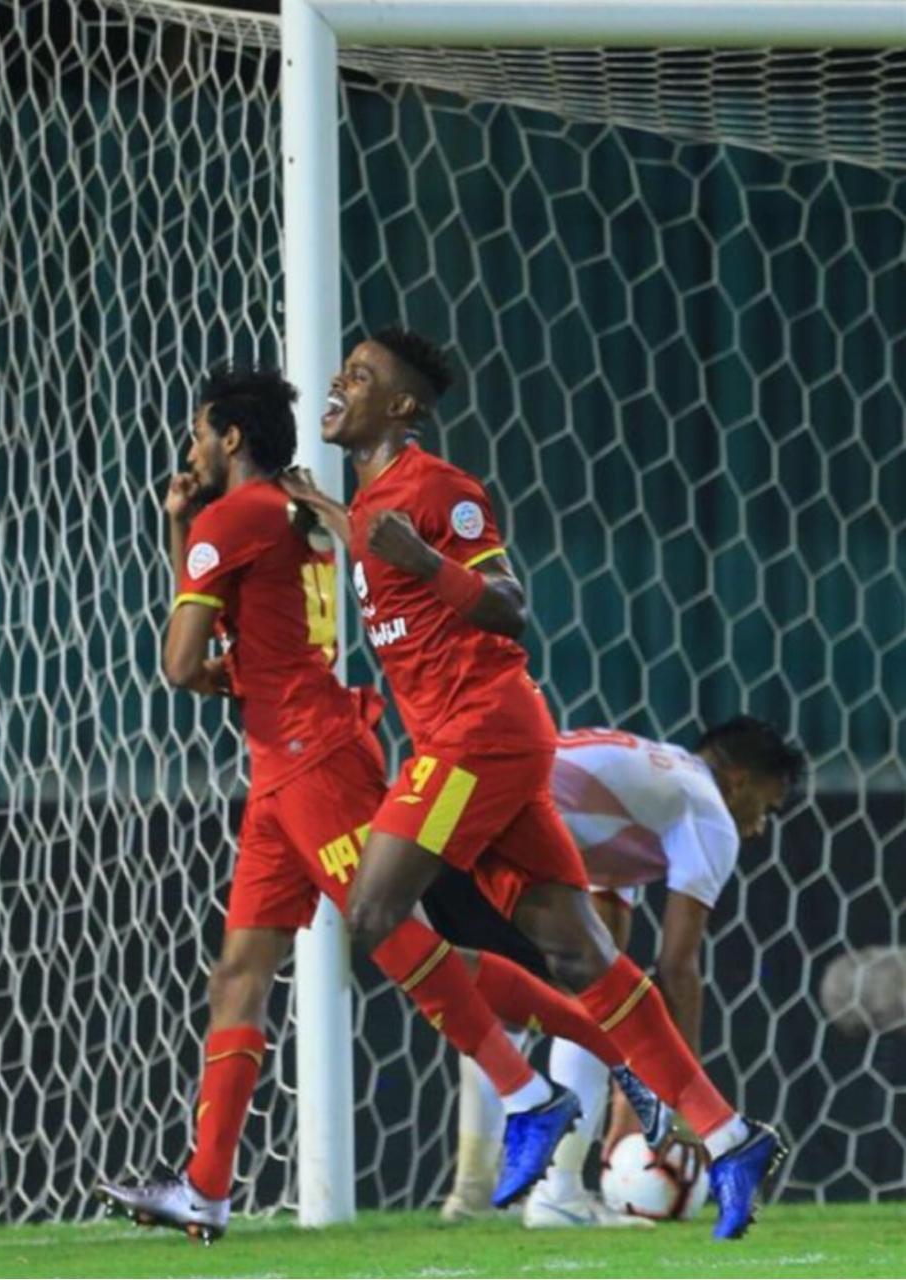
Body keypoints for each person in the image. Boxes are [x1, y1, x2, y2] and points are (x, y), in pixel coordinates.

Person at [94, 367, 666, 1242]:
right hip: (285, 756)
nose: (190, 448)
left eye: (199, 432)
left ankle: (540, 1084)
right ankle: (205, 1186)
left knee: (400, 940)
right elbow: (256, 637)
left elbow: (180, 665)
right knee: (243, 971)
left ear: (231, 439)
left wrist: (185, 544)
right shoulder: (291, 519)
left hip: (311, 756)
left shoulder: (231, 520)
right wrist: (184, 537)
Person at [295, 326, 788, 1240]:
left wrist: (423, 562)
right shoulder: (370, 508)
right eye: (343, 370)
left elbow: (511, 608)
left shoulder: (441, 492)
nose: (338, 382)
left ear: (401, 408)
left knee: (371, 914)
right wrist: (319, 505)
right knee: (579, 956)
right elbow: (374, 544)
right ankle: (728, 1135)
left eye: (359, 376)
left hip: (476, 735)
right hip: (485, 745)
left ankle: (529, 1099)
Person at [427, 718, 805, 1226]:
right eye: (765, 807)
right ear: (738, 780)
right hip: (484, 819)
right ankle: (557, 1194)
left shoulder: (640, 799)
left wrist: (639, 1091)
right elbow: (677, 968)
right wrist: (682, 1100)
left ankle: (472, 1197)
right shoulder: (706, 809)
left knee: (549, 1002)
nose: (759, 827)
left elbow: (610, 955)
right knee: (592, 1003)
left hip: (442, 814)